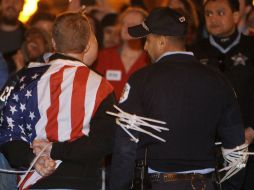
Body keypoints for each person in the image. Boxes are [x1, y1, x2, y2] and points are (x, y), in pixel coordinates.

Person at [109, 7, 245, 190]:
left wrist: (119, 186)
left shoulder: (141, 80)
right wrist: (232, 186)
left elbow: (125, 145)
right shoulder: (218, 80)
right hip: (204, 183)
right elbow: (236, 146)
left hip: (159, 183)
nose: (145, 47)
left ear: (162, 42)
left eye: (148, 40)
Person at [0, 10, 116, 190]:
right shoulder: (101, 86)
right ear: (86, 46)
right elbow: (104, 142)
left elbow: (8, 133)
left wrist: (33, 159)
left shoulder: (26, 79)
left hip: (33, 181)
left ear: (53, 43)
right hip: (80, 182)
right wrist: (55, 150)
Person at [191, 1, 254, 189]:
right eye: (208, 14)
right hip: (204, 149)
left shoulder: (252, 48)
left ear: (236, 16)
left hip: (248, 144)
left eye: (220, 13)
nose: (213, 19)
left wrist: (252, 131)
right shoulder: (193, 52)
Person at [94, 6, 150, 101]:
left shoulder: (150, 59)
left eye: (133, 24)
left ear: (145, 30)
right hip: (107, 113)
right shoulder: (105, 55)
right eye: (124, 23)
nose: (127, 27)